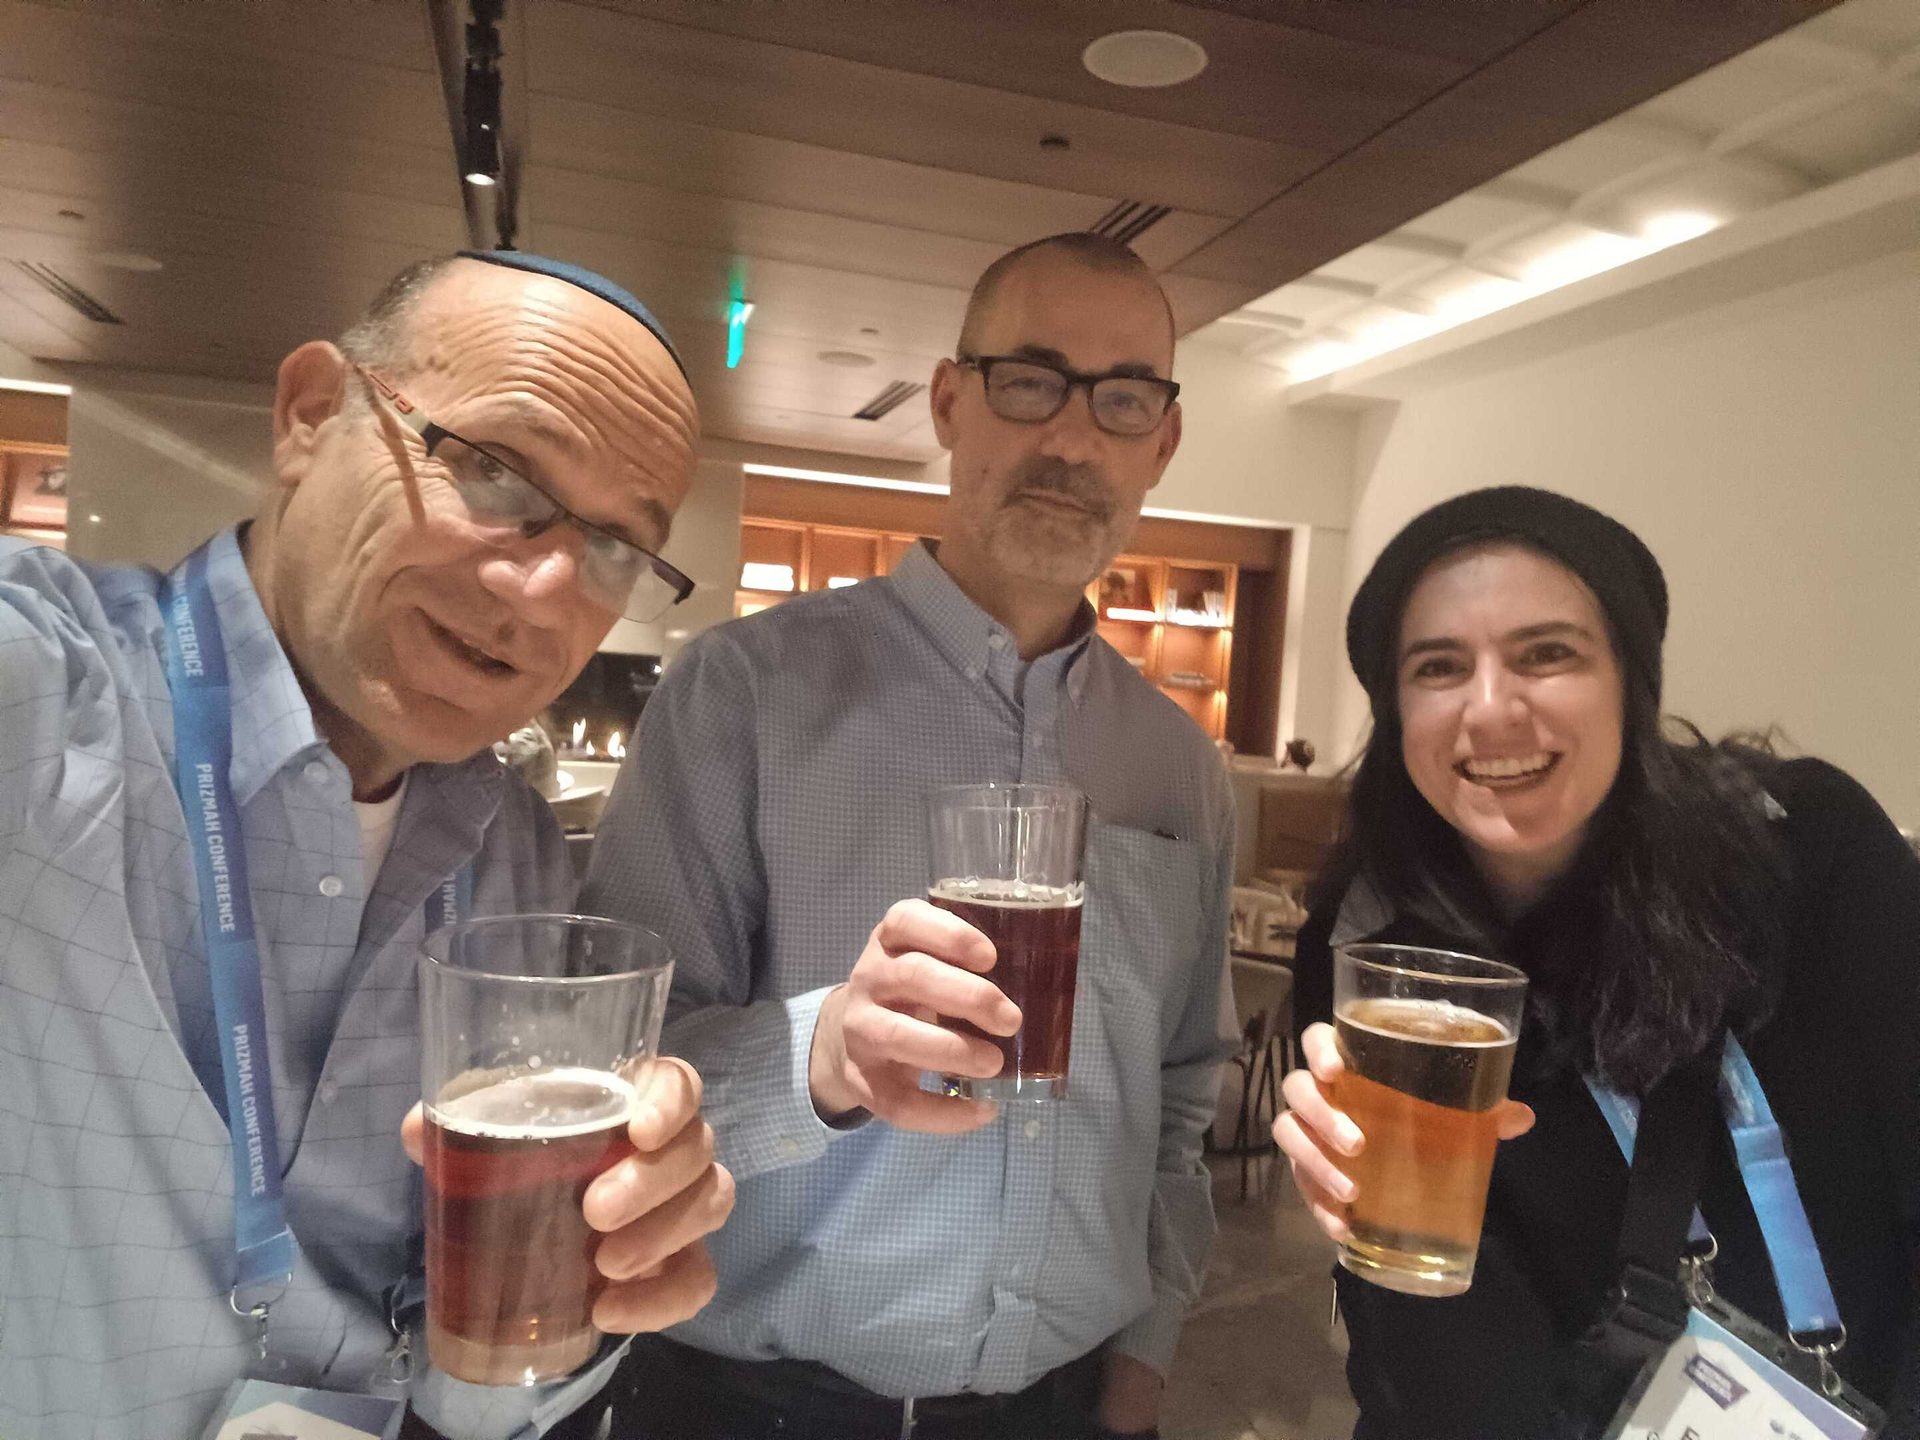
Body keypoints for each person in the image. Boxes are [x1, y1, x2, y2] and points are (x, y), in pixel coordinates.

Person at [0, 250, 734, 1440]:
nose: (546, 588)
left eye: (613, 549)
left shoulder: (521, 862)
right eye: (495, 473)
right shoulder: (50, 705)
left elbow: (496, 1393)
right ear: (309, 414)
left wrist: (600, 1272)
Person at [583, 232, 1235, 1440]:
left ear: (1164, 441)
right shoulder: (745, 695)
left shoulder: (1176, 764)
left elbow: (1183, 1098)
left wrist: (1142, 1367)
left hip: (1066, 1409)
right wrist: (823, 1048)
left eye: (1124, 398)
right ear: (949, 400)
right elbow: (621, 1070)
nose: (1073, 438)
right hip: (756, 1407)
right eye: (1029, 381)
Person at [1272, 486, 1920, 1438]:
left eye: (1548, 654)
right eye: (1439, 667)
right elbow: (1431, 1395)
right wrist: (1367, 1238)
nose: (1491, 710)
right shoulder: (1373, 949)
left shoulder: (1806, 853)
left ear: (1631, 679)